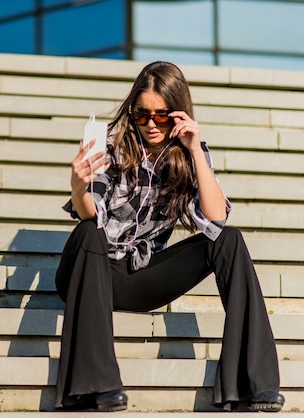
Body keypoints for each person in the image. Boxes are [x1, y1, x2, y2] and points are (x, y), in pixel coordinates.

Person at [54, 61, 284, 412]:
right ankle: (94, 386)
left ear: (177, 113)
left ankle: (253, 386)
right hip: (89, 270)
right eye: (142, 114)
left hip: (139, 276)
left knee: (230, 241)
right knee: (89, 231)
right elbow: (91, 212)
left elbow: (216, 218)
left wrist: (194, 151)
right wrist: (77, 183)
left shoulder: (188, 156)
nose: (150, 124)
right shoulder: (114, 150)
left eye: (161, 115)